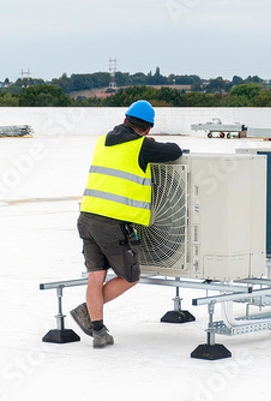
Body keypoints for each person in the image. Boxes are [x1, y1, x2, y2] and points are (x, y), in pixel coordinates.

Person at [70, 100, 182, 348]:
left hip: (86, 216)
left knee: (95, 276)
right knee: (130, 277)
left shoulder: (102, 141)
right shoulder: (141, 146)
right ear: (149, 129)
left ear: (124, 120)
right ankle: (86, 310)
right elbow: (175, 151)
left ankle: (99, 333)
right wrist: (149, 144)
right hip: (110, 223)